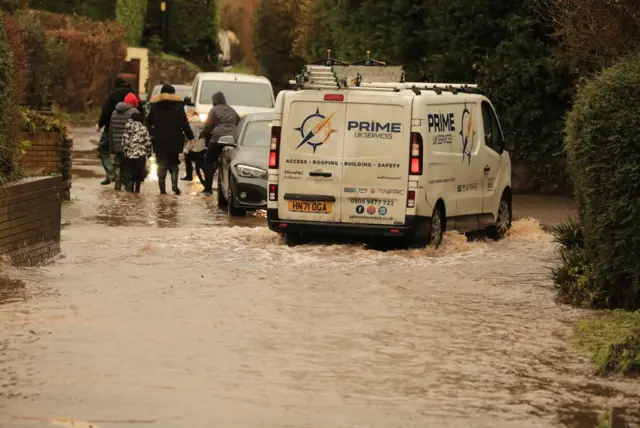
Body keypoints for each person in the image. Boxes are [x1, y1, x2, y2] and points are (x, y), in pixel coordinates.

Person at [146, 84, 194, 195]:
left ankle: (162, 191)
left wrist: (152, 133)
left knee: (161, 163)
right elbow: (184, 123)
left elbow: (148, 122)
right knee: (173, 163)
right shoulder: (178, 106)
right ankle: (174, 186)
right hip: (175, 139)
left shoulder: (155, 105)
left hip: (159, 139)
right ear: (173, 93)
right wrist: (190, 136)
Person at [97, 78, 136, 185]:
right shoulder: (133, 93)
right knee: (124, 153)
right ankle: (118, 177)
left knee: (103, 149)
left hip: (111, 128)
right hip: (131, 129)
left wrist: (100, 124)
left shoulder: (113, 95)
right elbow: (140, 111)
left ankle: (111, 173)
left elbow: (106, 112)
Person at [199, 91, 240, 195]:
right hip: (231, 139)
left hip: (217, 138)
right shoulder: (232, 110)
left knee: (208, 161)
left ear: (214, 101)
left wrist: (201, 135)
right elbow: (239, 122)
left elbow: (208, 126)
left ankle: (208, 188)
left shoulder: (214, 110)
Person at [110, 93, 143, 191]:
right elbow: (138, 130)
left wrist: (111, 147)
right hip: (129, 145)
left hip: (117, 145)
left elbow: (111, 131)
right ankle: (128, 188)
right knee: (128, 167)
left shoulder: (114, 112)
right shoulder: (134, 112)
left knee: (118, 165)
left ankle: (117, 185)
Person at [122, 110, 153, 193]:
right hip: (141, 156)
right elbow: (148, 142)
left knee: (130, 174)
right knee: (139, 175)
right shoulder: (143, 128)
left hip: (130, 155)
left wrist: (125, 153)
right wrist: (149, 153)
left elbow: (124, 142)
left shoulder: (127, 128)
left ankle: (130, 192)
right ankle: (137, 192)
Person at [185, 110, 207, 186]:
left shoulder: (191, 124)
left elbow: (192, 138)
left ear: (192, 116)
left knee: (198, 168)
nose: (186, 116)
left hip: (195, 148)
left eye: (188, 115)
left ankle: (205, 184)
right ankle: (206, 183)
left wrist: (187, 148)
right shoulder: (202, 123)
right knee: (201, 166)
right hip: (202, 147)